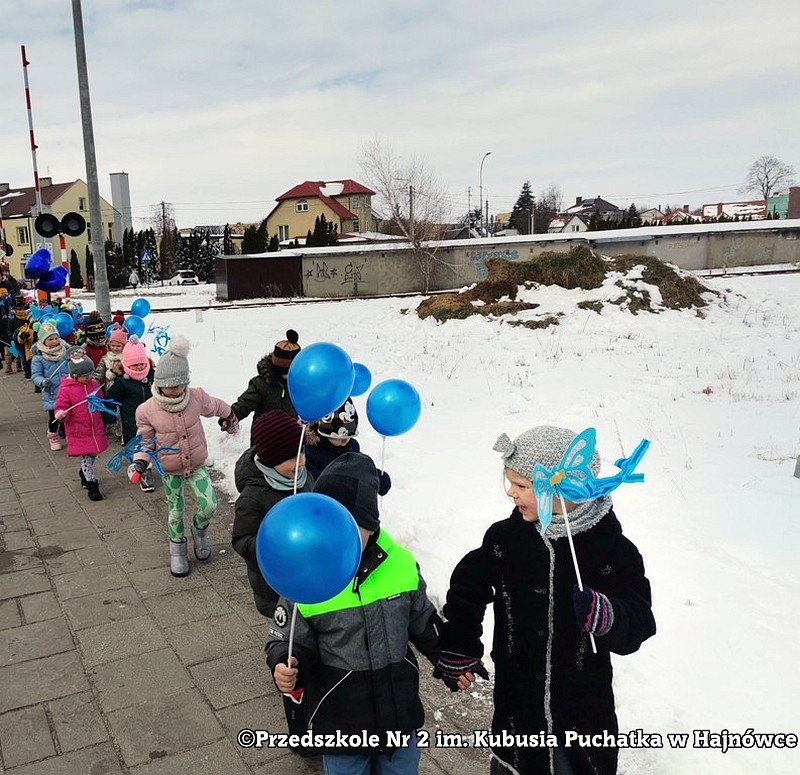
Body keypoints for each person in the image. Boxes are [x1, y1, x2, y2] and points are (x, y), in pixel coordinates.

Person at [434, 425, 656, 775]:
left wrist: (607, 615)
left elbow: (640, 620)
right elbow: (468, 586)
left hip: (582, 717)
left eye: (521, 486)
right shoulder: (506, 539)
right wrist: (459, 643)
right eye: (510, 482)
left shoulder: (612, 549)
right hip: (517, 709)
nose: (510, 492)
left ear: (560, 488)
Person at [266, 452, 442, 773]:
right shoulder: (306, 574)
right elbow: (287, 639)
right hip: (341, 723)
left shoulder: (400, 564)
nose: (338, 538)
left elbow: (423, 621)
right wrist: (285, 662)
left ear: (371, 525)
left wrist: (451, 657)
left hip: (399, 715)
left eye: (350, 527)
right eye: (329, 526)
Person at [130, 334, 238, 576]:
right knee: (175, 511)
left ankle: (199, 531)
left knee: (209, 504)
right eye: (170, 385)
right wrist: (140, 462)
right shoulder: (147, 410)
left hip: (197, 465)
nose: (176, 390)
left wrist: (229, 415)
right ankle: (177, 552)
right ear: (159, 383)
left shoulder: (195, 397)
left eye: (180, 384)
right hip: (170, 471)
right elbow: (145, 442)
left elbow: (216, 406)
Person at [231, 409, 312, 618]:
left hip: (308, 572)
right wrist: (274, 547)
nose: (301, 461)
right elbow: (241, 539)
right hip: (274, 584)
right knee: (284, 635)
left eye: (302, 452)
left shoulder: (305, 478)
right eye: (291, 458)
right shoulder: (253, 497)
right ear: (270, 460)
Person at [54, 346, 108, 501]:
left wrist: (102, 408)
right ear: (75, 375)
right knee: (86, 458)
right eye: (85, 375)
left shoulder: (93, 384)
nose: (89, 377)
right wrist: (61, 414)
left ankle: (84, 473)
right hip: (79, 429)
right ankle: (92, 486)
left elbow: (100, 398)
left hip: (94, 426)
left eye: (90, 374)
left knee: (93, 454)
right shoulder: (66, 389)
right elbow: (62, 405)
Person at [305, 397, 391, 494]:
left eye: (349, 435)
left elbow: (359, 469)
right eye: (339, 437)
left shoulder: (351, 447)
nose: (345, 441)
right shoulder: (311, 453)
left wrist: (375, 477)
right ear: (323, 434)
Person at [226, 329, 300, 441]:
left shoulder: (301, 383)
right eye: (284, 373)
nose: (287, 376)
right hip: (263, 438)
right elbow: (245, 403)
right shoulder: (261, 384)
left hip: (291, 437)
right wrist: (230, 416)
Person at [106, 335, 156, 491]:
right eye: (135, 365)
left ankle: (149, 466)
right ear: (126, 364)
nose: (140, 367)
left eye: (142, 363)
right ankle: (143, 472)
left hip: (151, 420)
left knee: (151, 445)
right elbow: (111, 400)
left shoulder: (151, 376)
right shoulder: (122, 381)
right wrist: (108, 417)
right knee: (137, 447)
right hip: (131, 422)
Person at [30, 321, 70, 451]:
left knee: (69, 415)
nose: (54, 341)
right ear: (43, 340)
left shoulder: (66, 350)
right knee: (54, 418)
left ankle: (69, 434)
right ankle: (53, 436)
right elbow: (35, 375)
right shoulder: (38, 358)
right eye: (50, 339)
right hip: (52, 392)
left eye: (56, 338)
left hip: (67, 390)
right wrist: (42, 381)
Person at [93, 324, 128, 439]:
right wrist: (93, 382)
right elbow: (99, 372)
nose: (115, 348)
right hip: (110, 388)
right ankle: (114, 426)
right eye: (113, 345)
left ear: (124, 346)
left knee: (124, 409)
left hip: (125, 388)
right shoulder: (105, 358)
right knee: (112, 409)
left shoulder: (127, 357)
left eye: (118, 346)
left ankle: (123, 429)